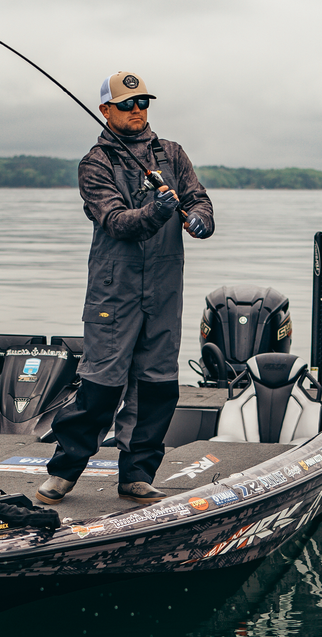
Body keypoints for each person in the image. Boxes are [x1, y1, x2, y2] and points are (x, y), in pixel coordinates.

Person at [37, 71, 214, 506]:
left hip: (165, 289)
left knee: (157, 385)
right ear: (106, 110)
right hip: (113, 292)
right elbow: (115, 221)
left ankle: (136, 475)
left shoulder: (172, 154)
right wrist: (157, 211)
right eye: (127, 104)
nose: (138, 111)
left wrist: (200, 220)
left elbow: (199, 199)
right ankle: (64, 471)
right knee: (101, 383)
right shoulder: (95, 163)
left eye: (143, 103)